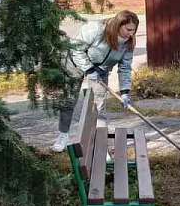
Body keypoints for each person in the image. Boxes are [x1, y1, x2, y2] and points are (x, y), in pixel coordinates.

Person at [51, 10, 138, 152]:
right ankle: (63, 136)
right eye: (128, 29)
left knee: (99, 106)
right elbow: (76, 50)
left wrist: (125, 92)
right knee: (68, 101)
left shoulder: (128, 44)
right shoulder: (95, 29)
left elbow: (125, 68)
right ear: (118, 25)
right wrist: (89, 69)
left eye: (134, 30)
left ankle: (100, 145)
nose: (131, 34)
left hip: (101, 70)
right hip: (74, 63)